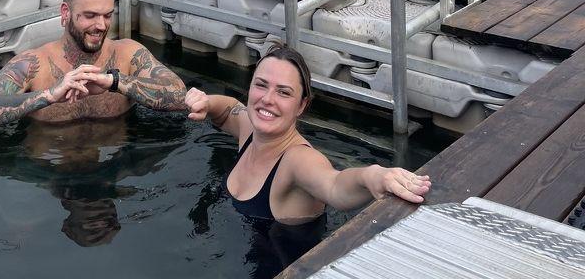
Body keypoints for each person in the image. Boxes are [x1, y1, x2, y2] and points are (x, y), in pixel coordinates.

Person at [184, 44, 431, 225]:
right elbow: (228, 110)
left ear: (301, 105)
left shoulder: (298, 161)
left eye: (284, 92)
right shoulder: (250, 128)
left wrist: (373, 175)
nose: (267, 99)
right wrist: (206, 102)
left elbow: (334, 186)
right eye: (261, 85)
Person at [0, 0, 187, 130]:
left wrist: (114, 82)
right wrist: (49, 95)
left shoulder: (127, 54)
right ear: (66, 13)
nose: (101, 25)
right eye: (90, 15)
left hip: (113, 166)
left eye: (107, 15)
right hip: (48, 170)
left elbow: (180, 96)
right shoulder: (34, 64)